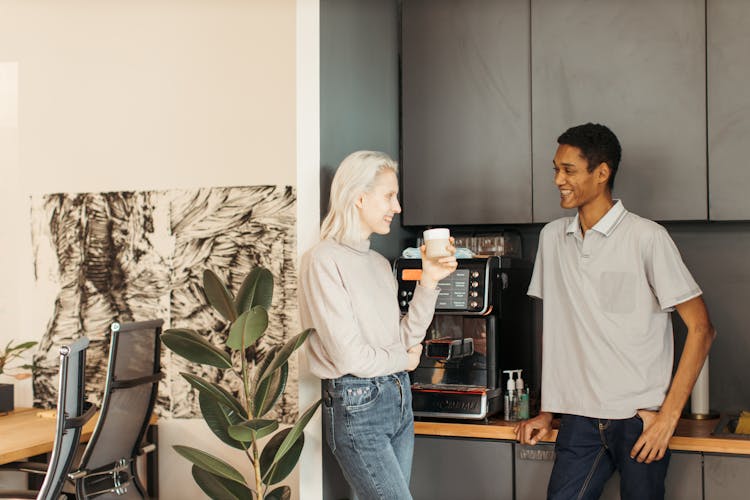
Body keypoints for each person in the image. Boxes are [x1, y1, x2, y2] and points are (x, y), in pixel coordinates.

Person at [515, 123, 715, 500]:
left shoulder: (647, 238)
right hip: (578, 419)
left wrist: (668, 418)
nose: (558, 179)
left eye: (569, 170)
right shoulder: (552, 238)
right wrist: (548, 411)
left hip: (640, 421)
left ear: (602, 173)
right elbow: (558, 330)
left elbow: (702, 329)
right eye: (555, 169)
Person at [298, 150, 457, 499]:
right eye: (389, 196)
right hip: (358, 406)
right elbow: (352, 358)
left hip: (399, 400)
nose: (397, 207)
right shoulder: (323, 261)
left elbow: (404, 337)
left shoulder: (379, 264)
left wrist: (429, 281)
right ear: (358, 196)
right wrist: (405, 360)